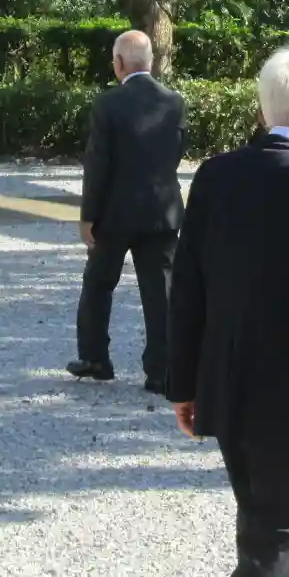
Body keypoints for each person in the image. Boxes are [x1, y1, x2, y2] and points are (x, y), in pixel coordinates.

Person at [167, 49, 289, 577]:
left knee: (258, 526)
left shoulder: (215, 175)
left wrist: (182, 383)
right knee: (281, 537)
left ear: (262, 111)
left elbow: (187, 286)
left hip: (227, 383)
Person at [69, 30, 188, 392]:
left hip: (114, 212)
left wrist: (88, 215)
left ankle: (96, 358)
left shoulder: (108, 104)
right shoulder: (174, 102)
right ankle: (162, 370)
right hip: (160, 209)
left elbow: (98, 164)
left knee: (98, 284)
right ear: (150, 62)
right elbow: (178, 150)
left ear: (119, 63)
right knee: (161, 291)